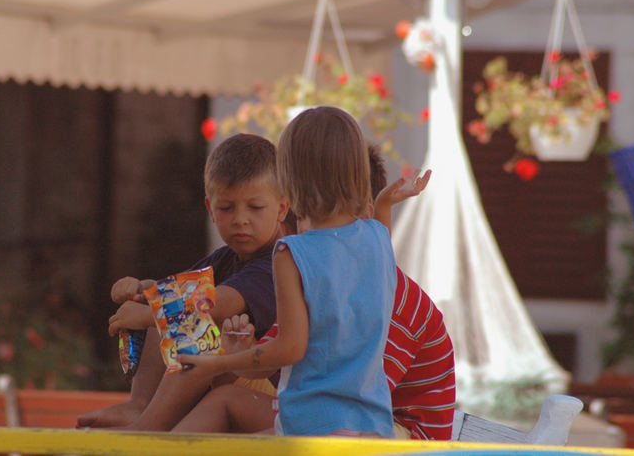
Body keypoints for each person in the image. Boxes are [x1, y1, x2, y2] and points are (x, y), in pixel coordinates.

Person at [172, 143, 455, 440]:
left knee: (290, 440)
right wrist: (243, 348)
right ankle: (151, 444)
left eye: (316, 222)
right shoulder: (314, 282)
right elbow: (279, 361)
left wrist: (223, 361)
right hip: (334, 415)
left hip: (397, 430)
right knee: (225, 401)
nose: (301, 233)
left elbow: (356, 395)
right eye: (302, 218)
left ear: (362, 223)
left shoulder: (394, 299)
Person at [76, 133, 288, 429]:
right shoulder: (224, 258)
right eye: (227, 208)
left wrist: (150, 313)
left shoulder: (281, 261)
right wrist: (140, 291)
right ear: (210, 209)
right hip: (228, 380)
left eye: (255, 207)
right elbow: (172, 292)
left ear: (282, 207)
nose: (241, 219)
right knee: (159, 294)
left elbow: (212, 305)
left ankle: (145, 429)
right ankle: (140, 405)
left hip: (268, 392)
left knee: (194, 327)